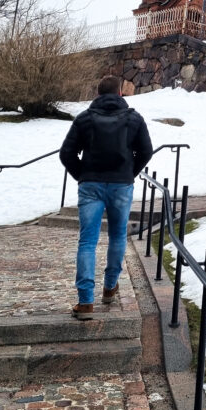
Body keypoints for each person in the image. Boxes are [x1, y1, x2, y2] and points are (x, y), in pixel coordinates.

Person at [59, 74, 153, 320]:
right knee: (117, 236)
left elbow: (66, 153)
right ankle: (110, 288)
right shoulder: (134, 119)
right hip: (121, 186)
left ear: (98, 94)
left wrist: (83, 175)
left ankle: (86, 301)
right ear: (120, 93)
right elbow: (146, 151)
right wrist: (128, 173)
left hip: (91, 185)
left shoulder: (85, 119)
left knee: (87, 241)